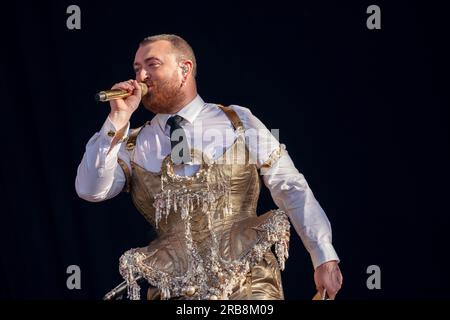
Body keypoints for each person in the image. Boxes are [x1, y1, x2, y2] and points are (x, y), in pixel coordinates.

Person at [75, 34, 343, 300]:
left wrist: (323, 254)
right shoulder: (129, 144)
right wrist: (116, 121)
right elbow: (91, 190)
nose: (141, 76)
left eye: (152, 64)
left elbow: (290, 186)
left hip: (249, 286)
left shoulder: (239, 121)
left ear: (185, 69)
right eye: (137, 68)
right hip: (176, 291)